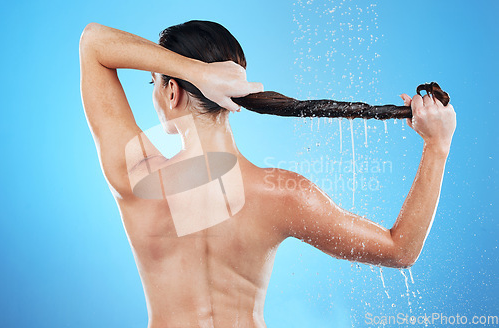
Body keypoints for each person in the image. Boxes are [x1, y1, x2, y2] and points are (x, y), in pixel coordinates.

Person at [79, 20, 456, 328]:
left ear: (172, 91)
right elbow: (400, 250)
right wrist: (436, 147)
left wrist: (194, 72)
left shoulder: (136, 178)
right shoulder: (282, 192)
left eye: (155, 83)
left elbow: (93, 43)